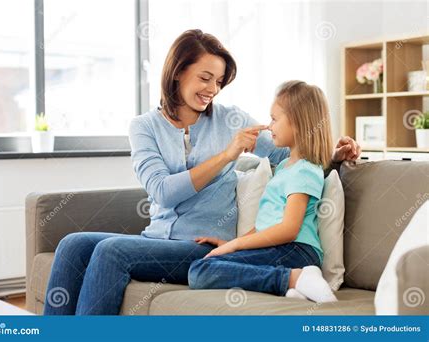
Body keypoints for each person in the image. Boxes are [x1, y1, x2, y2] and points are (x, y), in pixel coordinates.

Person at [44, 29, 360, 315]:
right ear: (179, 72)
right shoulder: (144, 127)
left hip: (201, 245)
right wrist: (226, 155)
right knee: (73, 244)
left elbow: (290, 151)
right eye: (205, 78)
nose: (213, 89)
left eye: (219, 82)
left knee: (111, 251)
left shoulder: (230, 119)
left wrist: (334, 154)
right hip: (156, 239)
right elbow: (162, 191)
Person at [189, 80, 338, 303]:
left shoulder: (305, 170)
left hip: (296, 250)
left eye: (274, 119)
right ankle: (292, 289)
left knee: (201, 271)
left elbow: (288, 229)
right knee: (202, 267)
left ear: (297, 122)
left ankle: (296, 278)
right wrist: (229, 244)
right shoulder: (286, 167)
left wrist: (237, 245)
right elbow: (264, 227)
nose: (269, 126)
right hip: (281, 249)